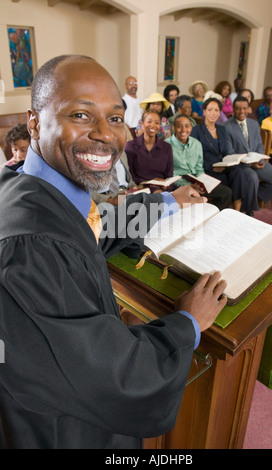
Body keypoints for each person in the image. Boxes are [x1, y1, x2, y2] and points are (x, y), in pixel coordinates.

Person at [0, 54, 227, 449]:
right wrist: (187, 322)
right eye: (82, 116)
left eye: (117, 118)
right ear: (35, 123)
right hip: (62, 429)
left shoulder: (26, 184)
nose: (106, 134)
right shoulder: (31, 249)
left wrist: (166, 203)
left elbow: (91, 226)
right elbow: (111, 375)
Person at [225, 96, 272, 213]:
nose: (241, 112)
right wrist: (250, 163)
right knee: (252, 178)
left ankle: (251, 198)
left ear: (249, 109)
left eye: (244, 108)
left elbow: (260, 146)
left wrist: (257, 158)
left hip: (256, 160)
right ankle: (249, 209)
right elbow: (229, 152)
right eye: (238, 108)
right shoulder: (226, 126)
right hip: (240, 164)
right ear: (233, 109)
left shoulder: (253, 124)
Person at [190, 97, 248, 212]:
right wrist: (212, 166)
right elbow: (194, 157)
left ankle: (237, 211)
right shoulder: (196, 130)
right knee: (228, 188)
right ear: (204, 111)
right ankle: (220, 215)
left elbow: (226, 152)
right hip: (206, 169)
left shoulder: (222, 129)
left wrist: (231, 160)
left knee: (239, 173)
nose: (213, 113)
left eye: (216, 110)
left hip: (223, 167)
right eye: (210, 109)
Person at [165, 114, 232, 211]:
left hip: (195, 179)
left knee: (226, 192)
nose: (184, 129)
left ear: (191, 128)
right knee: (192, 199)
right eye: (179, 126)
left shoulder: (196, 143)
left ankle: (213, 218)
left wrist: (202, 183)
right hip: (177, 181)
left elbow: (199, 168)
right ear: (174, 128)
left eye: (187, 126)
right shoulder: (166, 145)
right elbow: (169, 173)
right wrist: (187, 185)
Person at [126, 109, 173, 187]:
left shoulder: (167, 147)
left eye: (157, 123)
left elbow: (169, 175)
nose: (153, 125)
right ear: (142, 123)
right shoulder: (130, 146)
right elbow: (130, 176)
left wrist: (166, 189)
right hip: (139, 189)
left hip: (162, 190)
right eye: (149, 121)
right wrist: (150, 183)